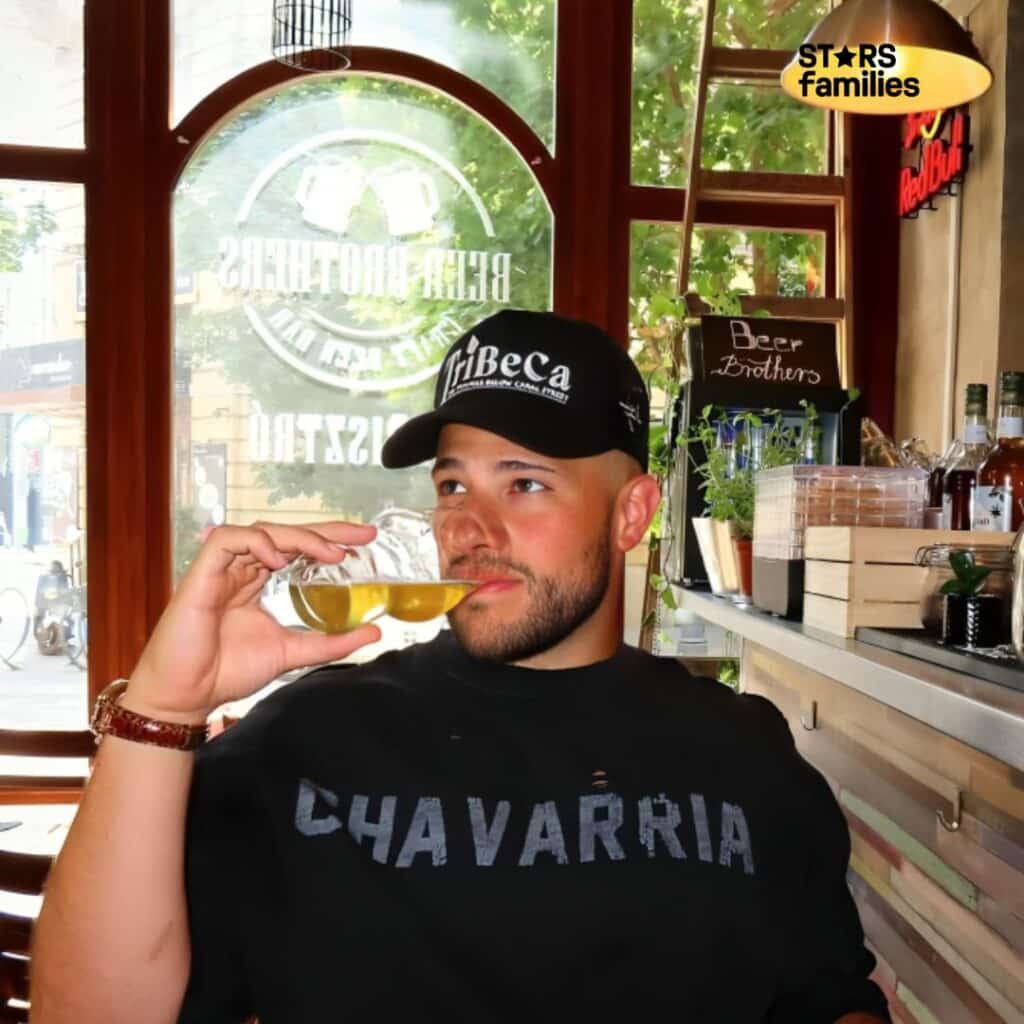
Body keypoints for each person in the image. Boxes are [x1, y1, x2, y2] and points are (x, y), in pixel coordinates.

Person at [31, 310, 890, 1024]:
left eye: (524, 484)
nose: (468, 529)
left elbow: (828, 997)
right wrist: (164, 706)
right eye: (452, 487)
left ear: (632, 513)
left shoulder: (741, 751)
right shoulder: (312, 740)